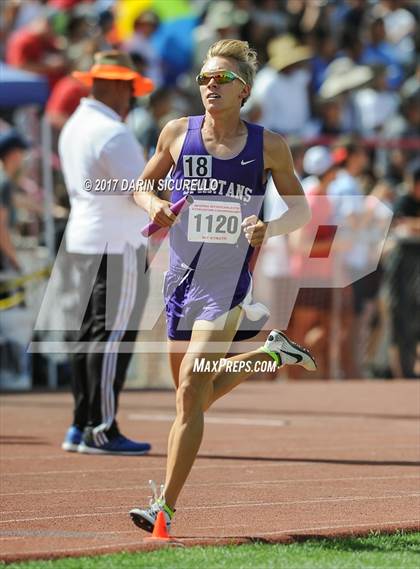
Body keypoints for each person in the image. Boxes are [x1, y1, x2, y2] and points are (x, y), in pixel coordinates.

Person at [129, 39, 316, 533]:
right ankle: (268, 355)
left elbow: (300, 208)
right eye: (204, 79)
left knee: (192, 386)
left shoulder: (269, 145)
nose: (210, 86)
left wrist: (267, 228)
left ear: (244, 91)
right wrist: (156, 208)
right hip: (180, 277)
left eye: (221, 79)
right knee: (193, 396)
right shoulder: (176, 133)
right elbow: (141, 185)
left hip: (226, 281)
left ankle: (163, 507)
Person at [59, 51, 154, 455]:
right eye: (131, 90)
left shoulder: (74, 126)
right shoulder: (113, 133)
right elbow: (140, 192)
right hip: (117, 245)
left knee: (86, 338)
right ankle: (101, 428)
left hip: (82, 240)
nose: (132, 100)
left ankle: (81, 426)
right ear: (116, 85)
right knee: (111, 337)